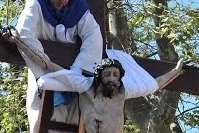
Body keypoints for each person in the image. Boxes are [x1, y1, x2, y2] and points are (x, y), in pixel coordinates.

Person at [14, 0, 103, 133]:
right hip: (46, 74)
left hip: (74, 80)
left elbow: (94, 36)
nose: (64, 0)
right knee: (45, 121)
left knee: (76, 125)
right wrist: (46, 64)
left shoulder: (78, 6)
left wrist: (78, 71)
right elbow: (24, 34)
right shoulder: (36, 3)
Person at [37, 49, 184, 133]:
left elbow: (154, 84)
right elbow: (49, 65)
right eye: (107, 74)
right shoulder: (86, 86)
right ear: (99, 76)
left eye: (115, 75)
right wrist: (19, 42)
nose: (112, 79)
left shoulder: (123, 92)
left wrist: (176, 71)